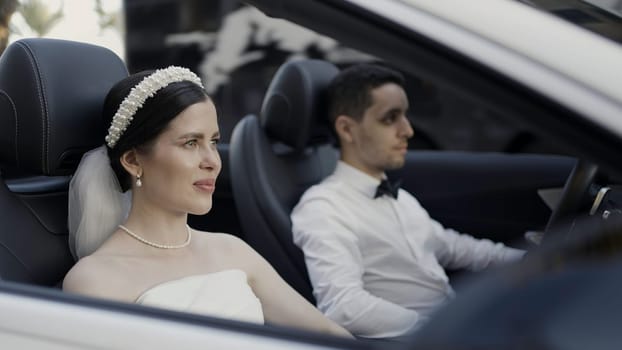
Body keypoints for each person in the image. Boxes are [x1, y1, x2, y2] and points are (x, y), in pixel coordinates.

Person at [62, 66, 351, 338]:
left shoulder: (232, 250)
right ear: (133, 160)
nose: (213, 161)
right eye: (191, 143)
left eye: (213, 142)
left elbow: (330, 337)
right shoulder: (95, 281)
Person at [290, 63, 525, 339]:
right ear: (347, 129)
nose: (408, 130)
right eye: (390, 118)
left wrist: (534, 258)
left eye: (405, 116)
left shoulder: (402, 198)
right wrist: (441, 329)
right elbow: (344, 306)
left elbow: (455, 247)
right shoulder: (323, 208)